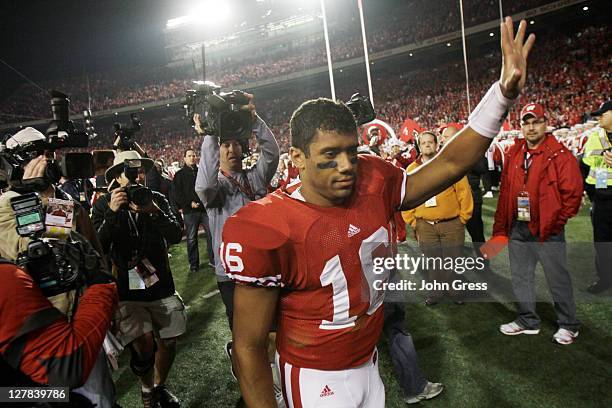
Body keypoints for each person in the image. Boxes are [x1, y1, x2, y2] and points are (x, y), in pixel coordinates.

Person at [222, 17, 535, 407]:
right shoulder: (269, 223)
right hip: (315, 375)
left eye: (351, 152)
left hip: (369, 363)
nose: (347, 165)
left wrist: (502, 95)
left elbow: (451, 162)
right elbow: (249, 345)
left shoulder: (376, 180)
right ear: (298, 159)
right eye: (330, 155)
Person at [92, 150, 185, 408]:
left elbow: (176, 234)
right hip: (128, 288)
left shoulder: (154, 199)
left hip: (160, 284)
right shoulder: (103, 204)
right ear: (117, 177)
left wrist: (153, 211)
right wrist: (112, 212)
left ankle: (159, 386)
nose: (135, 177)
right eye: (128, 172)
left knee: (168, 340)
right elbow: (98, 245)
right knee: (143, 345)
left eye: (139, 170)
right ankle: (147, 390)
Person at [493, 103, 583, 345]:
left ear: (545, 124)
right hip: (519, 228)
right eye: (526, 122)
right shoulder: (514, 152)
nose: (531, 127)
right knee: (521, 276)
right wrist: (502, 229)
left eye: (536, 122)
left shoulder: (559, 154)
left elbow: (573, 194)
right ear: (521, 126)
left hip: (547, 230)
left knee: (557, 277)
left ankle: (569, 324)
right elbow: (505, 192)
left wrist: (555, 223)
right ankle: (527, 320)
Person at [194, 94, 280, 331]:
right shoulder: (215, 188)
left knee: (272, 328)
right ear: (217, 152)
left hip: (263, 265)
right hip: (231, 274)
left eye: (236, 144)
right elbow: (203, 186)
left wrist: (255, 121)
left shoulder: (255, 177)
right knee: (244, 332)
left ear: (243, 149)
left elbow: (272, 154)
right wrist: (211, 133)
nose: (231, 149)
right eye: (225, 145)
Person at [402, 131, 473, 305]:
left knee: (452, 259)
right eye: (423, 142)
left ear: (436, 144)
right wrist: (413, 221)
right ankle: (436, 292)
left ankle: (454, 289)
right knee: (432, 260)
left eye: (430, 142)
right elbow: (405, 197)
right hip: (425, 224)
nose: (427, 145)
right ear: (419, 145)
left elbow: (464, 192)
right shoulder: (411, 170)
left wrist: (463, 218)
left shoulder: (450, 165)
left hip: (451, 222)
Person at [441, 124, 491, 272]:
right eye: (442, 137)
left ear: (455, 137)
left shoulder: (470, 149)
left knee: (476, 233)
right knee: (453, 236)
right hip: (452, 200)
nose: (442, 139)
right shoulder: (443, 153)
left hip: (472, 198)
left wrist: (464, 155)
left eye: (445, 136)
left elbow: (482, 168)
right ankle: (456, 266)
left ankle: (484, 261)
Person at [582, 100, 612, 294]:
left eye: (603, 113)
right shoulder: (596, 136)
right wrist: (595, 194)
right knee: (602, 242)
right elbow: (587, 165)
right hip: (603, 194)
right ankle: (605, 279)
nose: (599, 116)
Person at [172, 148, 214, 273]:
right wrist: (189, 203)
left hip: (204, 209)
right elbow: (177, 194)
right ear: (184, 158)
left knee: (212, 235)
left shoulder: (202, 172)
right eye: (189, 155)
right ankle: (194, 264)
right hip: (190, 212)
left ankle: (214, 260)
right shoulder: (179, 175)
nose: (192, 157)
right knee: (191, 238)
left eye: (194, 155)